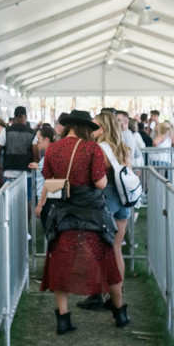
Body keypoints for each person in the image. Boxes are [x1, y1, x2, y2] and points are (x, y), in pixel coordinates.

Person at [34, 110, 127, 333]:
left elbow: (49, 179)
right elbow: (101, 183)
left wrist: (41, 203)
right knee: (107, 262)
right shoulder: (91, 148)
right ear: (85, 128)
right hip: (92, 215)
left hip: (63, 212)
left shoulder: (53, 148)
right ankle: (120, 313)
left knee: (61, 264)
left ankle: (63, 319)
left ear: (68, 126)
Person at [77, 112, 131, 311]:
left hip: (104, 202)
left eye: (95, 127)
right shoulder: (123, 149)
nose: (91, 131)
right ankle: (115, 293)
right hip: (123, 203)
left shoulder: (99, 149)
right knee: (116, 249)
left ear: (105, 128)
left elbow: (95, 178)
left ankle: (101, 294)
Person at [0, 106, 38, 183]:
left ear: (14, 117)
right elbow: (36, 155)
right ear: (24, 116)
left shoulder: (6, 131)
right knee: (26, 195)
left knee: (9, 195)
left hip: (9, 173)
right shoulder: (32, 133)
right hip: (26, 174)